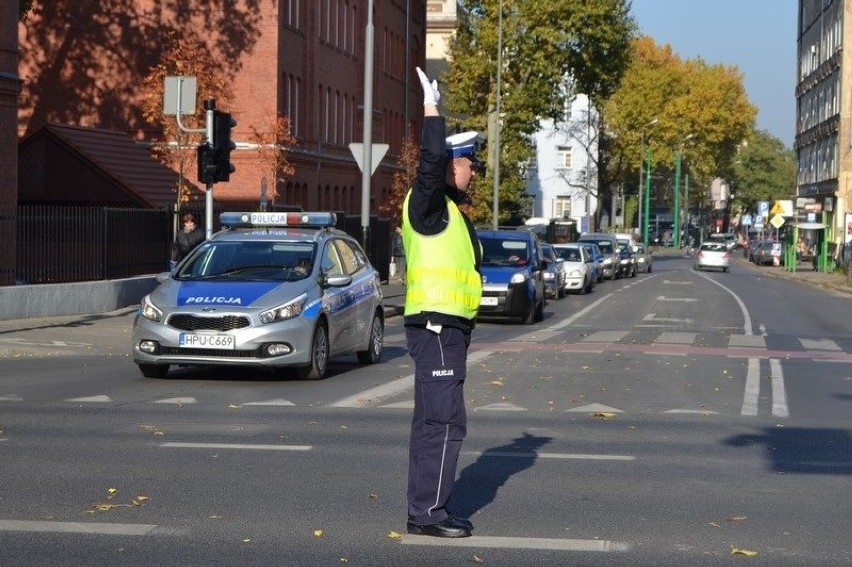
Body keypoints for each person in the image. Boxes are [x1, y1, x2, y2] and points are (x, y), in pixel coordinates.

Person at [401, 67, 484, 539]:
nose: (473, 171)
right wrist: (433, 111)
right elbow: (429, 158)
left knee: (434, 420)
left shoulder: (448, 211)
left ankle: (426, 508)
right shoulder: (428, 203)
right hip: (435, 328)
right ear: (453, 164)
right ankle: (427, 514)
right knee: (442, 419)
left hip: (446, 330)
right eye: (470, 162)